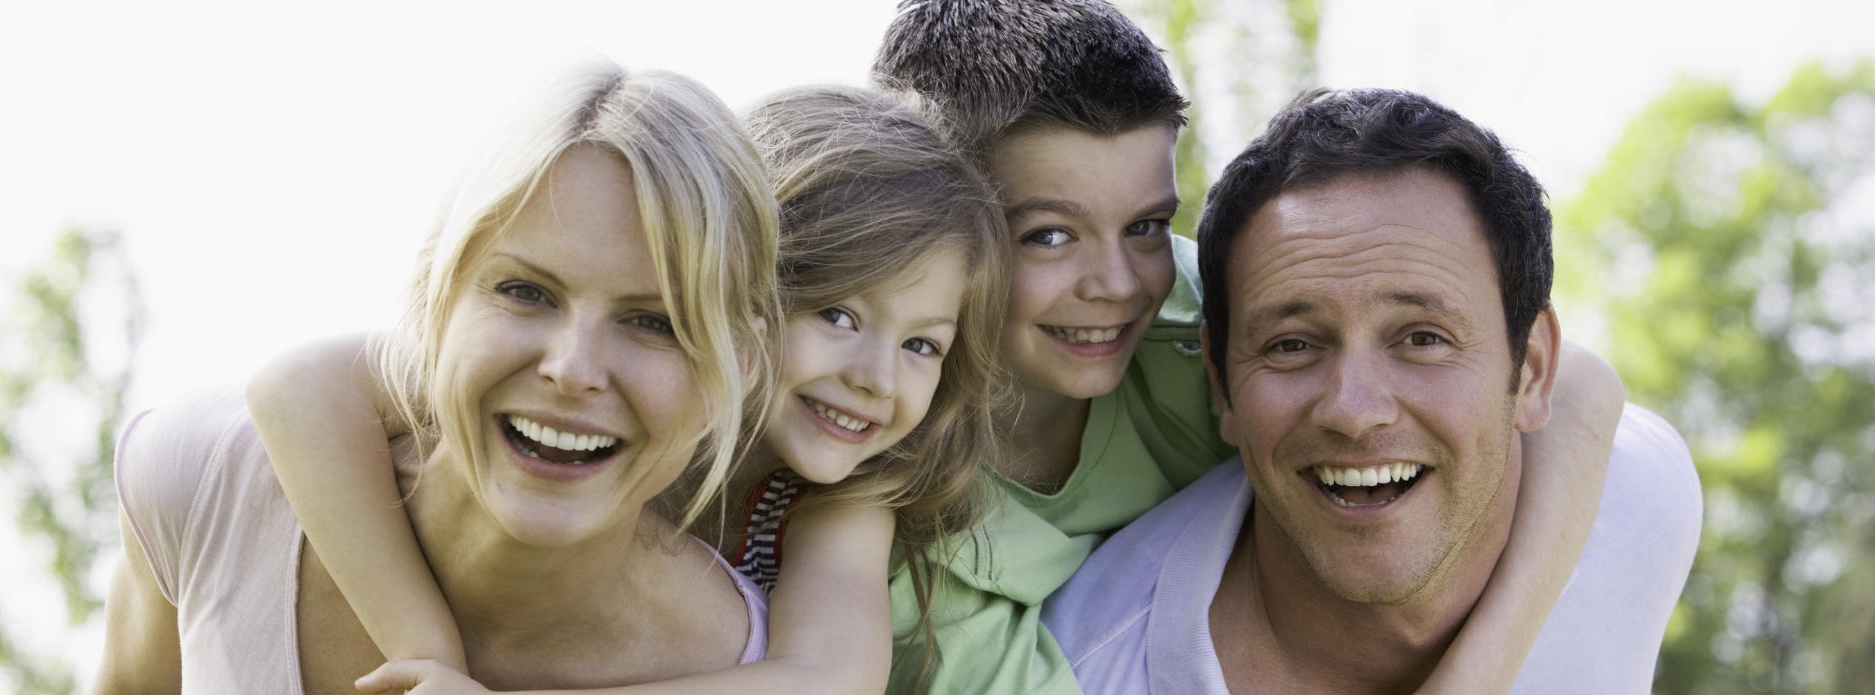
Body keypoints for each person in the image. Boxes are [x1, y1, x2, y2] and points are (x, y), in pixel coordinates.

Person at [871, 1, 1630, 692]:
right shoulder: (887, 496)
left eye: (1144, 225)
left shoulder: (1198, 316)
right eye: (1049, 234)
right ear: (928, 223)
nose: (1115, 284)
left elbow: (1574, 386)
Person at [235, 85, 1011, 694]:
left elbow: (827, 680)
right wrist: (427, 650)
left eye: (922, 344)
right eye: (838, 314)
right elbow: (295, 385)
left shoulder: (839, 500)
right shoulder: (571, 378)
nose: (875, 376)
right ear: (726, 291)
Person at [92, 62, 783, 693]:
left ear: (741, 367)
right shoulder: (207, 482)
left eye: (654, 323)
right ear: (434, 301)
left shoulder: (746, 666)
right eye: (526, 291)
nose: (573, 370)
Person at [1042, 88, 1703, 694]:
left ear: (1530, 369)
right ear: (1221, 384)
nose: (1354, 412)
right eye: (1292, 344)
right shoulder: (1084, 670)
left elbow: (1590, 397)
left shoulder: (1638, 500)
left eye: (1421, 338)